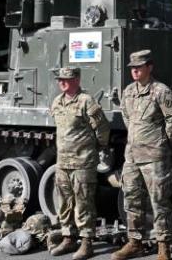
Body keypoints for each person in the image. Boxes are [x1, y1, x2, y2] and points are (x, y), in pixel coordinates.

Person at [112, 50, 172, 260]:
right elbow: (126, 117)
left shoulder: (161, 91)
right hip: (132, 156)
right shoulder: (129, 92)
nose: (134, 71)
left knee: (159, 202)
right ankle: (135, 243)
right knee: (131, 200)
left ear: (149, 67)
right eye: (132, 68)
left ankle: (163, 246)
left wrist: (161, 143)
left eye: (139, 67)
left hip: (154, 157)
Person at [49, 66, 111, 260]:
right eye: (60, 79)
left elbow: (102, 128)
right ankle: (68, 238)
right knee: (64, 202)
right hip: (63, 162)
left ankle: (86, 243)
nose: (62, 82)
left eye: (66, 79)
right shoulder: (57, 102)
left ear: (77, 79)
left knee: (84, 203)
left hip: (83, 161)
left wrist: (99, 147)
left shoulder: (86, 101)